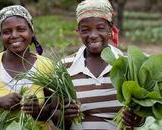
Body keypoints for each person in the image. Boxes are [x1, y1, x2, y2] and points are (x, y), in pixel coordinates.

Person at [62, 0, 145, 130]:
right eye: (85, 30)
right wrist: (64, 114)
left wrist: (137, 118)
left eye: (100, 28)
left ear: (110, 28)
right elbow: (54, 115)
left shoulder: (129, 65)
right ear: (78, 31)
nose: (93, 35)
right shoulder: (64, 67)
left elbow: (141, 113)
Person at [0, 5, 53, 130]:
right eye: (7, 32)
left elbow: (55, 110)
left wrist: (37, 110)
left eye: (21, 29)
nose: (14, 35)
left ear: (31, 32)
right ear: (0, 35)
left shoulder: (46, 65)